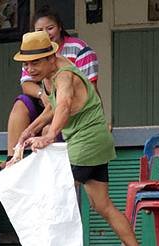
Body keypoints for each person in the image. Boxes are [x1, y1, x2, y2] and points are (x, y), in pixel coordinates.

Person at [10, 31, 151, 246]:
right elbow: (52, 109)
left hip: (86, 144)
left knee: (53, 197)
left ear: (51, 57)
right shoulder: (51, 75)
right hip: (95, 143)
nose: (30, 69)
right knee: (102, 205)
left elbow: (63, 106)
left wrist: (49, 136)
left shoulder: (64, 76)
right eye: (26, 64)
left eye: (35, 62)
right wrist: (28, 132)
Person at [6, 6, 100, 161]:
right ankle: (12, 157)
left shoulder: (74, 55)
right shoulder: (31, 54)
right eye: (39, 30)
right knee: (21, 103)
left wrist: (49, 135)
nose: (45, 34)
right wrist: (42, 96)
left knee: (50, 129)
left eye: (50, 28)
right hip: (46, 103)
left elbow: (71, 100)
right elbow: (28, 86)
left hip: (75, 113)